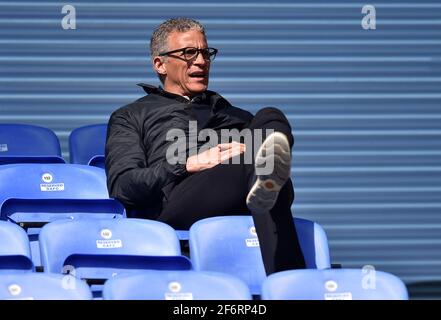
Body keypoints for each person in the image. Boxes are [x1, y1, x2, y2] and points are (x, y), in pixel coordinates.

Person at [105, 18, 306, 274]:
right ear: (160, 64)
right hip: (177, 199)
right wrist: (187, 164)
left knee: (270, 116)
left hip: (241, 184)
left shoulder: (235, 115)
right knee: (253, 165)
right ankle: (291, 280)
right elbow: (123, 185)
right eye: (189, 53)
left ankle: (267, 179)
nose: (201, 61)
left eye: (205, 52)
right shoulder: (131, 115)